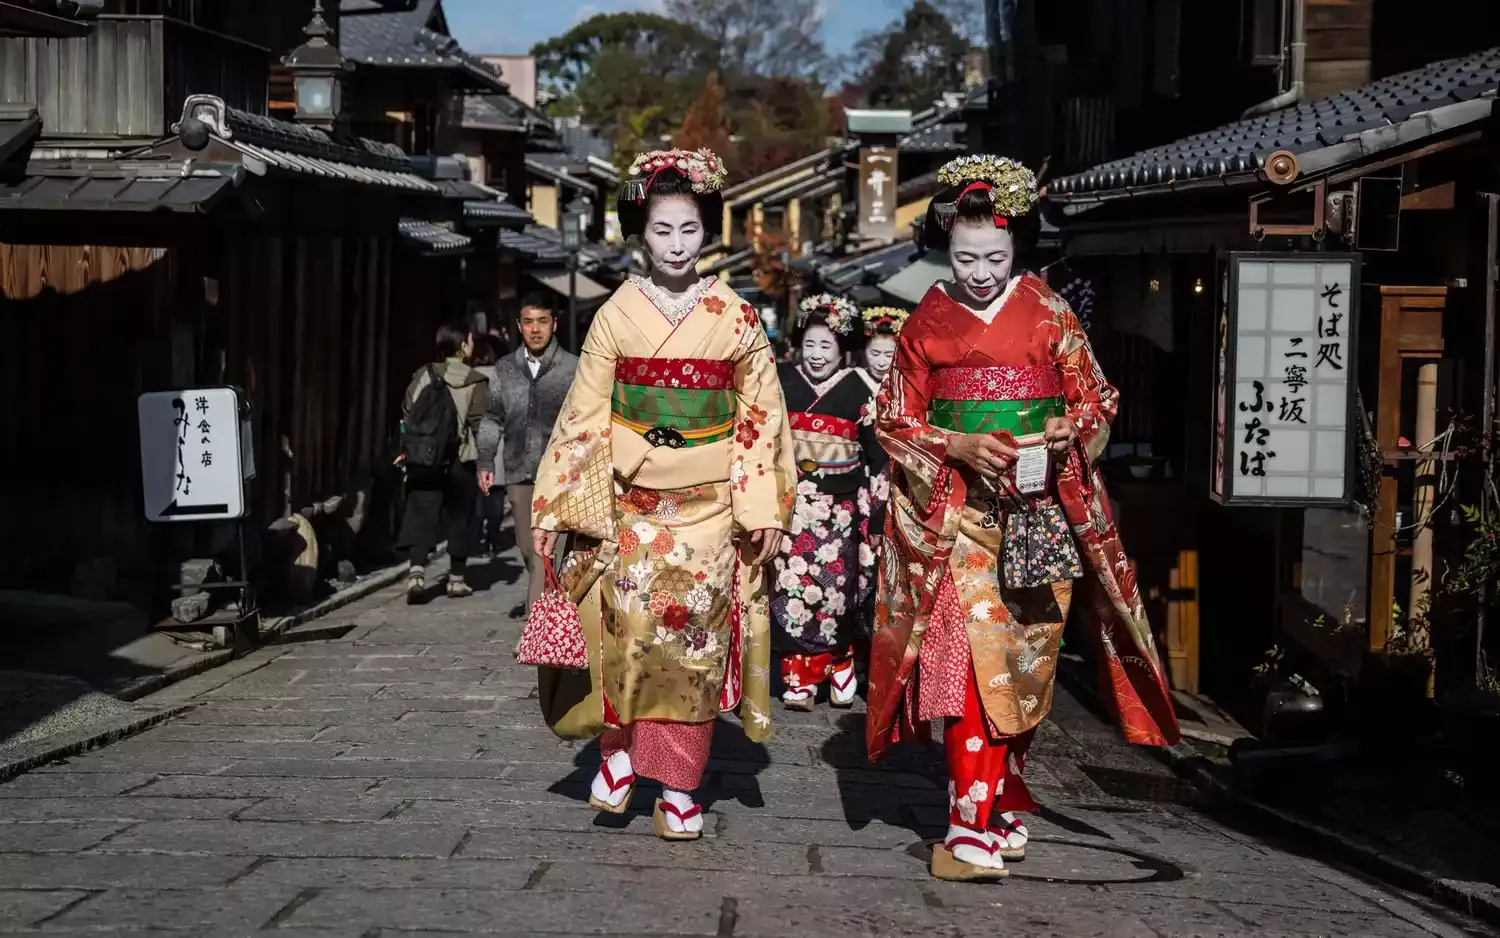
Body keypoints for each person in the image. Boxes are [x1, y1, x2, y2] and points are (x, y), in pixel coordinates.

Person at [867, 155, 1179, 881]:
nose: (980, 271)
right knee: (977, 664)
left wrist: (1074, 427)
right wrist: (956, 443)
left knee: (1026, 664)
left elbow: (1098, 397)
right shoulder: (925, 324)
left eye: (996, 257)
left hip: (1041, 514)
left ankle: (1003, 791)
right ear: (945, 246)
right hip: (961, 519)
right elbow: (891, 419)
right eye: (966, 256)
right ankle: (967, 822)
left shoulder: (1050, 312)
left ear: (1018, 249)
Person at [529, 148, 795, 840]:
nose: (676, 246)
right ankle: (617, 753)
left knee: (695, 649)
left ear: (707, 231)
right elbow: (585, 412)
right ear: (638, 234)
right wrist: (557, 503)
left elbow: (762, 415)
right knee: (628, 637)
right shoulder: (617, 315)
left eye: (688, 230)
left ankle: (679, 788)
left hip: (709, 510)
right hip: (631, 508)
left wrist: (761, 506)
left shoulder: (736, 317)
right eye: (660, 231)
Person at [772, 294, 887, 711]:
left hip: (840, 511)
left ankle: (840, 662)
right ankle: (798, 677)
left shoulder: (860, 389)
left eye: (827, 346)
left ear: (843, 350)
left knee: (837, 590)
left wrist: (875, 518)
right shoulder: (781, 381)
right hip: (791, 505)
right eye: (811, 345)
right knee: (791, 588)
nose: (817, 355)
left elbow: (877, 459)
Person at [477, 293, 579, 616]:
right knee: (526, 546)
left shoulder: (572, 368)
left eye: (543, 321)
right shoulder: (505, 369)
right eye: (529, 322)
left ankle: (538, 628)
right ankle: (553, 613)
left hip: (561, 475)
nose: (536, 329)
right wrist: (484, 459)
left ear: (555, 324)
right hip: (519, 471)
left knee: (542, 553)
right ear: (519, 326)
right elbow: (492, 416)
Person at [397, 320, 489, 602]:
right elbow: (480, 425)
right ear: (463, 346)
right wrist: (485, 464)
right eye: (470, 340)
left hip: (425, 459)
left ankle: (416, 575)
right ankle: (456, 580)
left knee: (421, 511)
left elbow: (408, 411)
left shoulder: (423, 375)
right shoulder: (475, 381)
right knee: (460, 516)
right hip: (461, 460)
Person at [471, 334, 507, 556]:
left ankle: (477, 538)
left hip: (474, 443)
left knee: (476, 496)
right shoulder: (503, 377)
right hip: (499, 444)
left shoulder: (469, 377)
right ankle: (492, 540)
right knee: (495, 494)